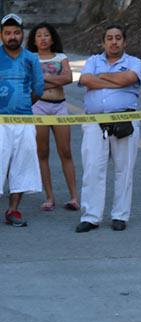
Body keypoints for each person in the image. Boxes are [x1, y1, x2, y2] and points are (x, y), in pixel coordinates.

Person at [76, 24, 141, 233]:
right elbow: (85, 79)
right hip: (95, 122)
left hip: (125, 121)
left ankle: (120, 216)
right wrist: (117, 81)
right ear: (103, 42)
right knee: (92, 169)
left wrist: (101, 78)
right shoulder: (92, 61)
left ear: (125, 41)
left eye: (118, 38)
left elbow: (128, 78)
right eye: (109, 38)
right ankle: (91, 216)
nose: (114, 42)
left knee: (124, 170)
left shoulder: (134, 62)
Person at [27, 22, 78, 212]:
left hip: (60, 107)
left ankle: (74, 197)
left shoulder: (61, 57)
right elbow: (31, 83)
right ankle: (49, 197)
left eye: (46, 35)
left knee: (65, 152)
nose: (42, 38)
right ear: (33, 39)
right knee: (42, 153)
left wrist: (42, 79)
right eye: (39, 35)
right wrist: (54, 81)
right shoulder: (29, 57)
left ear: (52, 38)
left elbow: (68, 79)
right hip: (38, 107)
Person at [0, 13, 43, 227]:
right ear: (1, 35)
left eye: (16, 32)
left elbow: (38, 89)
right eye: (7, 33)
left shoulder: (31, 59)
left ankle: (13, 210)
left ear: (23, 34)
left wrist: (21, 106)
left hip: (24, 121)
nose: (12, 37)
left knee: (22, 165)